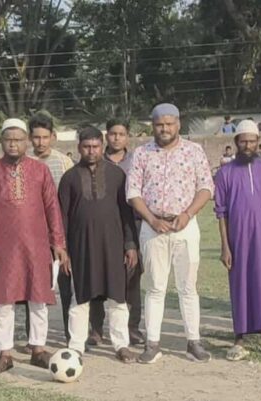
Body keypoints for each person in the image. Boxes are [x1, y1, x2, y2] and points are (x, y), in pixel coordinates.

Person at [0, 118, 69, 373]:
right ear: (1, 141)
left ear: (26, 141)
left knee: (38, 298)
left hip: (36, 246)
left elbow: (52, 208)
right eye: (8, 140)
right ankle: (4, 353)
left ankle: (38, 349)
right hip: (2, 249)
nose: (13, 145)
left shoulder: (40, 170)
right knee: (3, 300)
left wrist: (58, 243)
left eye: (18, 140)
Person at [127, 103, 214, 364]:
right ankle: (152, 344)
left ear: (178, 124)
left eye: (169, 124)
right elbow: (133, 192)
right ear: (152, 126)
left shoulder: (193, 151)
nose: (164, 129)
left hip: (185, 227)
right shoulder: (142, 153)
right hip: (152, 227)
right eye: (159, 125)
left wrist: (187, 214)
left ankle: (193, 342)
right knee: (155, 287)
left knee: (188, 287)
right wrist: (152, 219)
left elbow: (206, 187)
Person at [58, 126, 139, 363]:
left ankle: (121, 345)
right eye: (86, 147)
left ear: (102, 147)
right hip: (81, 247)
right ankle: (76, 346)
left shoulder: (117, 175)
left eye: (95, 146)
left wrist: (130, 244)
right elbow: (62, 217)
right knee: (80, 297)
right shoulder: (69, 178)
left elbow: (126, 213)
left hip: (113, 246)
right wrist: (63, 250)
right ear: (79, 148)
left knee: (117, 297)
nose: (91, 151)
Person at [214, 120, 261, 361]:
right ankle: (239, 339)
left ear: (258, 142)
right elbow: (221, 212)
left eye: (252, 141)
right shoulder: (225, 173)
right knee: (241, 285)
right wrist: (225, 246)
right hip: (239, 240)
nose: (248, 145)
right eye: (243, 141)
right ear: (236, 142)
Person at [27, 113, 76, 341]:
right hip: (32, 234)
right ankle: (34, 338)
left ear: (53, 137)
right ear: (30, 138)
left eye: (45, 137)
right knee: (34, 287)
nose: (41, 142)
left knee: (65, 285)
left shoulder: (64, 162)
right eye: (36, 137)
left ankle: (70, 335)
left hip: (60, 232)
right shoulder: (25, 162)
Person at [99, 120, 144, 345]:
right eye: (112, 133)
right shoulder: (96, 160)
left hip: (133, 222)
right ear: (106, 136)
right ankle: (96, 327)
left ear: (128, 137)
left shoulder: (136, 161)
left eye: (121, 134)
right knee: (99, 275)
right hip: (104, 225)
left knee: (132, 275)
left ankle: (132, 327)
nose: (116, 138)